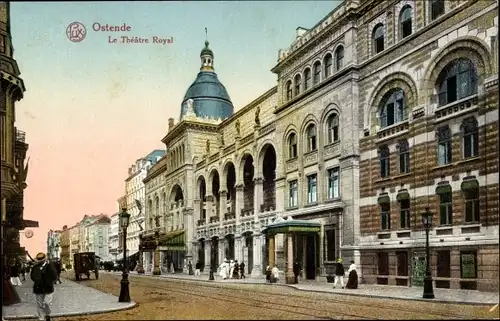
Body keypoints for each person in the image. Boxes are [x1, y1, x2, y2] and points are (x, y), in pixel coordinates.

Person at [31, 252, 58, 321]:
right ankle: (41, 318)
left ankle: (48, 314)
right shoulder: (35, 267)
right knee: (39, 304)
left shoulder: (50, 266)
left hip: (48, 288)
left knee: (46, 303)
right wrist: (37, 281)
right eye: (39, 260)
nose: (40, 261)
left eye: (42, 260)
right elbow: (32, 276)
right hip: (38, 288)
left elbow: (54, 276)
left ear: (45, 259)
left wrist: (49, 282)